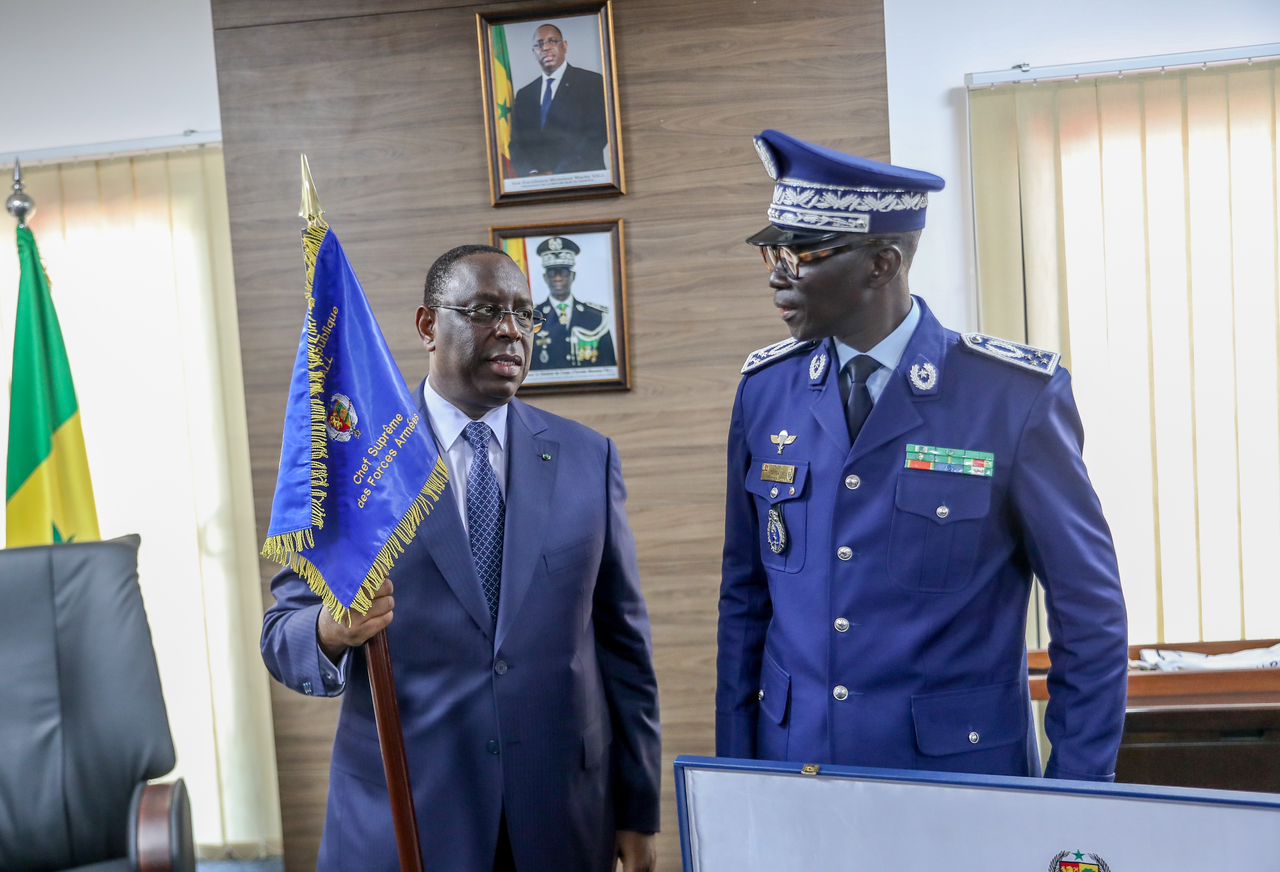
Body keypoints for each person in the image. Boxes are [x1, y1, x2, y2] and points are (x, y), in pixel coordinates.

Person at [716, 129, 1128, 782]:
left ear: (882, 263)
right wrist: (733, 784)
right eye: (773, 251)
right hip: (798, 777)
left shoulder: (1010, 397)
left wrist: (1073, 805)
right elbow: (745, 606)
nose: (777, 276)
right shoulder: (767, 393)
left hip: (957, 782)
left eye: (802, 253)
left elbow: (1091, 618)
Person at [261, 244, 660, 871]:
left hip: (560, 816)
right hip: (407, 818)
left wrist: (639, 810)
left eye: (525, 315)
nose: (509, 330)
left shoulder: (589, 459)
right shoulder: (359, 463)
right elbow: (282, 635)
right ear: (428, 325)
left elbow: (624, 650)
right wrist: (330, 630)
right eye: (484, 310)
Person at [508, 23, 609, 177]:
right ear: (533, 52)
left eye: (552, 41)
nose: (545, 48)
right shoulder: (524, 95)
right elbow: (516, 144)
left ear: (565, 46)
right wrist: (532, 173)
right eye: (539, 44)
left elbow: (597, 135)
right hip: (537, 185)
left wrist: (558, 174)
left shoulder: (591, 82)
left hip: (582, 180)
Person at [532, 236, 616, 369]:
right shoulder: (533, 318)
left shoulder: (596, 317)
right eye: (552, 273)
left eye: (563, 272)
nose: (558, 278)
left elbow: (610, 367)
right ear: (545, 277)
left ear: (573, 276)